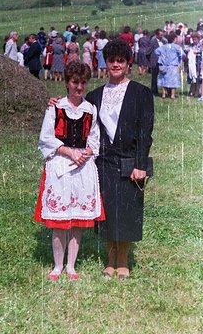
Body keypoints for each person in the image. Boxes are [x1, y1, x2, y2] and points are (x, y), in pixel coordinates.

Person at [84, 38, 154, 280]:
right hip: (104, 162)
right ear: (106, 62)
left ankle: (122, 261)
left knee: (126, 212)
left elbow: (145, 133)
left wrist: (140, 165)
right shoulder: (95, 95)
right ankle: (109, 260)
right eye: (111, 60)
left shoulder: (141, 93)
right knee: (108, 212)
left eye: (120, 61)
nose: (115, 64)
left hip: (130, 163)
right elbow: (76, 113)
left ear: (128, 63)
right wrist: (55, 105)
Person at [33, 61, 105, 281]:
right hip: (60, 167)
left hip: (83, 169)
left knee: (77, 221)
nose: (79, 87)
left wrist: (86, 152)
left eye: (83, 83)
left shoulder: (89, 109)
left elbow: (95, 137)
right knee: (60, 221)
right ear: (66, 82)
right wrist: (68, 152)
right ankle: (57, 266)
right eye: (75, 82)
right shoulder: (55, 107)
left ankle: (71, 266)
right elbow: (46, 137)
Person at [155, 32, 185, 99]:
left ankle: (163, 94)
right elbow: (183, 54)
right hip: (173, 66)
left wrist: (162, 57)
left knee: (163, 79)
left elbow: (156, 51)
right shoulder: (176, 47)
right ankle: (172, 95)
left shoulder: (163, 46)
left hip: (164, 66)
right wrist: (179, 57)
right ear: (174, 39)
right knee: (173, 80)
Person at [147, 29, 167, 96]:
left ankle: (166, 91)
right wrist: (150, 61)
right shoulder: (153, 41)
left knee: (165, 76)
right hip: (155, 62)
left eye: (162, 35)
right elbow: (148, 52)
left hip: (163, 62)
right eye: (160, 35)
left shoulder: (164, 41)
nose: (162, 36)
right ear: (157, 35)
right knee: (154, 77)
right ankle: (153, 91)